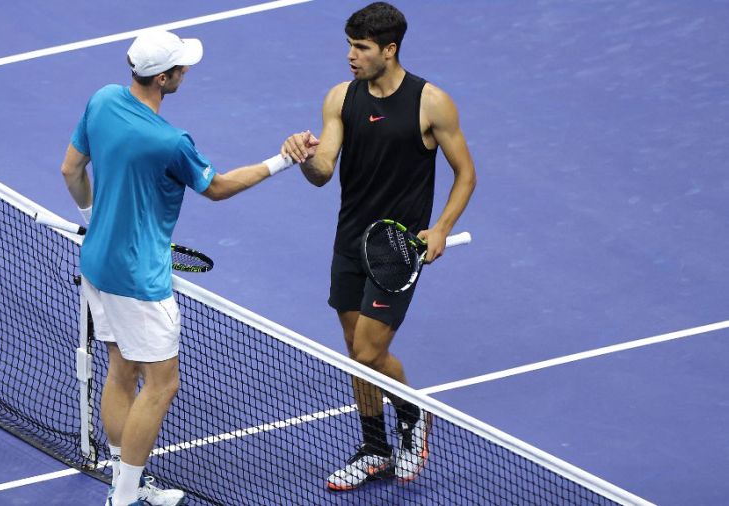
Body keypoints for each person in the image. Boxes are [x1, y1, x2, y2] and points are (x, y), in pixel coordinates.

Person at [60, 30, 297, 506]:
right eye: (182, 68)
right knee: (163, 383)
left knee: (121, 369)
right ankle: (124, 497)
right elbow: (219, 188)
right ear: (163, 78)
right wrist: (285, 159)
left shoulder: (103, 100)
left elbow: (70, 170)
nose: (187, 72)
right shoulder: (171, 142)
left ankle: (125, 481)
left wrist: (94, 219)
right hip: (138, 280)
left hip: (96, 264)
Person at [282, 2, 477, 492]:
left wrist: (441, 228)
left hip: (397, 250)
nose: (351, 55)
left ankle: (413, 414)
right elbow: (324, 170)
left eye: (361, 47)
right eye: (349, 45)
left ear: (389, 50)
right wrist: (304, 159)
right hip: (349, 241)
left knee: (369, 350)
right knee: (354, 351)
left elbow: (466, 174)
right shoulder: (340, 98)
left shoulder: (431, 103)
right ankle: (374, 447)